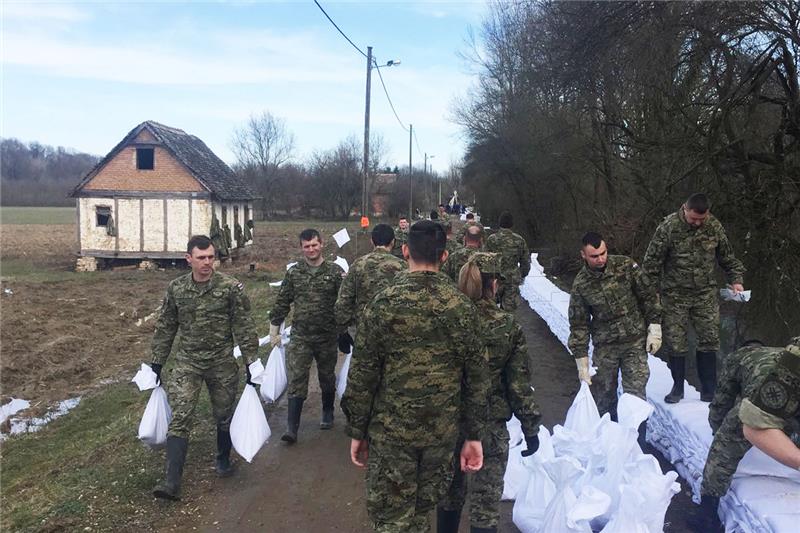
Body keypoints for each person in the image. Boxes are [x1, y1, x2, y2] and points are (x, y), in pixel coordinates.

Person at [342, 220, 488, 533]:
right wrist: (473, 435)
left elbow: (362, 376)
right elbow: (476, 380)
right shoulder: (463, 309)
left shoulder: (382, 305)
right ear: (445, 256)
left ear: (405, 251)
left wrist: (358, 430)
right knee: (422, 511)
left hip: (392, 435)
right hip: (441, 434)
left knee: (394, 520)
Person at [438, 252, 542, 533]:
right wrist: (530, 427)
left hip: (448, 424)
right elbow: (518, 383)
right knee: (485, 506)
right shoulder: (507, 325)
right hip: (489, 427)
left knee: (448, 497)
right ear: (494, 283)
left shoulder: (445, 321)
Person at [150, 235, 259, 500]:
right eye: (201, 257)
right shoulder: (176, 289)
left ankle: (222, 458)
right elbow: (166, 327)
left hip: (221, 362)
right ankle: (171, 482)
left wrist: (251, 362)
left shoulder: (230, 288)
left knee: (223, 413)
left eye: (211, 257)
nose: (207, 262)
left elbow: (243, 326)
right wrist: (156, 363)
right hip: (188, 362)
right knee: (181, 416)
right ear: (189, 259)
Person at [643, 193, 746, 403]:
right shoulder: (668, 228)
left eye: (702, 219)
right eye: (693, 219)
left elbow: (727, 257)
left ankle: (708, 390)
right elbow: (651, 264)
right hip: (675, 295)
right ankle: (677, 388)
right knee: (676, 342)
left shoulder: (714, 226)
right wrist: (650, 292)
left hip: (705, 294)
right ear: (685, 209)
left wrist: (736, 280)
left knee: (709, 340)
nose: (698, 223)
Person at [699, 337, 800, 524]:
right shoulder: (782, 351)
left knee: (725, 447)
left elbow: (722, 399)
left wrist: (716, 428)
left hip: (760, 396)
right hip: (783, 392)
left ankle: (707, 513)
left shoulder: (737, 357)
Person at [567, 232, 662, 420]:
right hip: (606, 347)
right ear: (583, 255)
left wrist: (655, 327)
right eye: (594, 256)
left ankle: (636, 446)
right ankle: (609, 442)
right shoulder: (581, 285)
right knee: (603, 397)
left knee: (636, 401)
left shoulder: (625, 266)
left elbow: (648, 296)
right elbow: (579, 325)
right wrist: (582, 363)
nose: (601, 259)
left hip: (634, 342)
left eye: (603, 253)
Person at [269, 228, 345, 443]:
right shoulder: (294, 273)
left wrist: (344, 330)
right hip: (301, 335)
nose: (311, 249)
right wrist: (274, 327)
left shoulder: (334, 272)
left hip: (327, 335)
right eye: (306, 246)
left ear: (321, 244)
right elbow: (283, 300)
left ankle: (328, 411)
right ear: (301, 248)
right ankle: (292, 428)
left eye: (314, 245)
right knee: (297, 378)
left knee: (327, 377)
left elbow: (343, 304)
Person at [335, 223, 406, 332]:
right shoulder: (403, 267)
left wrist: (343, 328)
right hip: (394, 331)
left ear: (372, 241)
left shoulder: (358, 265)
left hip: (364, 329)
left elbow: (344, 300)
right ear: (393, 241)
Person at [486, 211, 531, 312]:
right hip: (512, 280)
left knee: (491, 311)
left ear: (500, 223)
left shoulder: (491, 239)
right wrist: (521, 275)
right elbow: (526, 262)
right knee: (509, 313)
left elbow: (485, 259)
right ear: (511, 224)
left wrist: (487, 277)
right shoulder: (519, 240)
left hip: (495, 279)